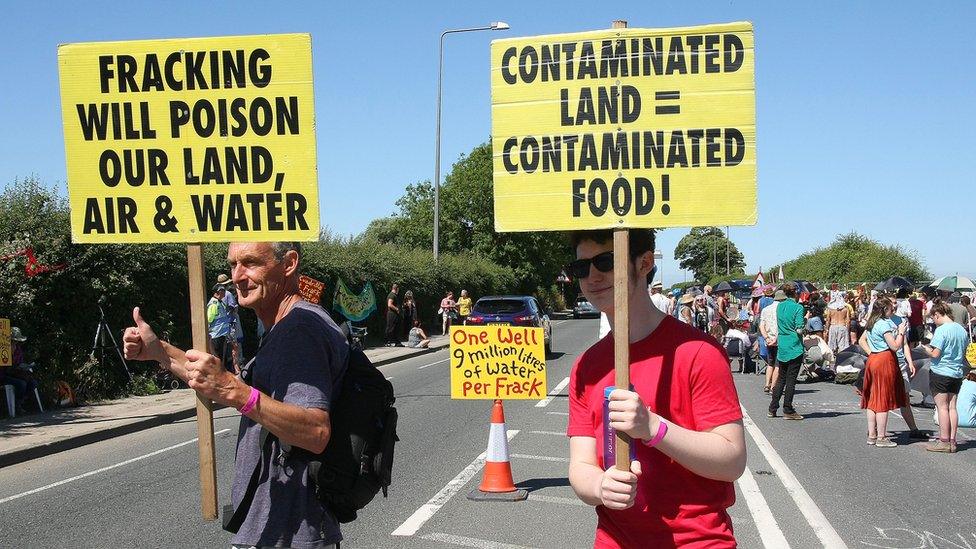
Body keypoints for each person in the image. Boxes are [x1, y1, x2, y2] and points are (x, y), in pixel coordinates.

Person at [123, 242, 347, 548]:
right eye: (233, 264)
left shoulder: (299, 330)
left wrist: (234, 390)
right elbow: (216, 382)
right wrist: (159, 352)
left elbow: (315, 431)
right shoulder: (283, 327)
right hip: (275, 528)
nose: (237, 276)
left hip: (291, 533)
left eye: (251, 263)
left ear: (289, 263)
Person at [565, 229, 745, 547]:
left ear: (645, 262)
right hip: (614, 540)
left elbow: (731, 461)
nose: (592, 276)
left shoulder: (698, 352)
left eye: (606, 261)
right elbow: (580, 465)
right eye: (581, 268)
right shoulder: (587, 365)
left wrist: (653, 428)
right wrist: (600, 486)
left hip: (695, 541)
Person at [857, 297, 909, 448]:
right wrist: (900, 332)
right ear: (884, 309)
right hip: (885, 360)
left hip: (873, 359)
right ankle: (881, 436)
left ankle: (872, 435)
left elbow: (861, 340)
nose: (893, 310)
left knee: (872, 399)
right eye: (891, 308)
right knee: (882, 399)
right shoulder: (884, 324)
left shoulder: (871, 323)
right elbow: (894, 346)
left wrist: (872, 352)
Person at [921, 300, 971, 452]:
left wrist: (925, 349)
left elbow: (936, 354)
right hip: (957, 372)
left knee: (941, 407)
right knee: (952, 407)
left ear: (937, 314)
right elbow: (963, 354)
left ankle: (944, 441)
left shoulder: (942, 330)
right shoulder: (962, 330)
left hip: (941, 372)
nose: (934, 322)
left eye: (933, 318)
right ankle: (953, 441)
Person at [768, 283, 806, 420]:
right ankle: (788, 409)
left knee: (780, 379)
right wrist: (804, 326)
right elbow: (799, 329)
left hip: (782, 345)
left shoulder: (780, 307)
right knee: (791, 380)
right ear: (796, 293)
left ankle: (772, 408)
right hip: (794, 346)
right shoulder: (798, 307)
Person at [1, 327, 39, 413]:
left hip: (16, 373)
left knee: (33, 383)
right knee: (21, 384)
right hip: (4, 375)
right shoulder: (3, 348)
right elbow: (4, 366)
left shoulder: (18, 349)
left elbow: (19, 362)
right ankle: (17, 406)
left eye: (16, 341)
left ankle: (20, 401)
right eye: (13, 340)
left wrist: (23, 367)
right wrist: (10, 354)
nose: (15, 342)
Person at [206, 282, 235, 373]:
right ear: (217, 292)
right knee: (218, 357)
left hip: (222, 335)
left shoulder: (219, 302)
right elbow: (209, 319)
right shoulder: (214, 304)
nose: (224, 292)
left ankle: (226, 374)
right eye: (222, 290)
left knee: (226, 357)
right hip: (217, 335)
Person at [759, 289, 784, 394]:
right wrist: (776, 339)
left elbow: (761, 325)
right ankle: (773, 387)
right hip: (778, 340)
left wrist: (766, 338)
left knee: (770, 363)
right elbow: (781, 326)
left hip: (768, 339)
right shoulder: (782, 309)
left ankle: (766, 385)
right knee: (778, 365)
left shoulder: (766, 309)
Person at [219, 273, 245, 369]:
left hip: (223, 323)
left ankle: (227, 365)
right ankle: (238, 365)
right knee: (236, 344)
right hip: (232, 321)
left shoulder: (219, 294)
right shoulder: (228, 294)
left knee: (226, 345)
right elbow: (234, 308)